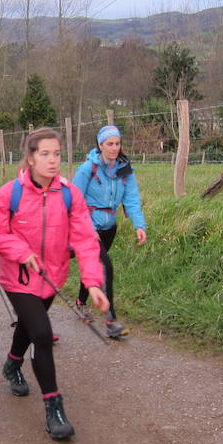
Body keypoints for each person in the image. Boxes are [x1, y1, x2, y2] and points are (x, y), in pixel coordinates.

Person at [0, 127, 109, 440]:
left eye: (56, 153)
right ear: (30, 158)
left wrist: (93, 283)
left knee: (29, 327)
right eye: (45, 154)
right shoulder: (9, 194)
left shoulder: (70, 194)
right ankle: (54, 407)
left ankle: (12, 364)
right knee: (41, 333)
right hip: (18, 278)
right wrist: (21, 251)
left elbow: (84, 240)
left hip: (52, 277)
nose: (53, 160)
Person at [72, 125, 147, 338]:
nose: (114, 148)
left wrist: (139, 225)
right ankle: (111, 321)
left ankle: (80, 302)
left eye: (117, 143)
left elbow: (131, 199)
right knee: (106, 267)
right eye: (109, 144)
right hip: (89, 227)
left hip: (109, 227)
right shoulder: (88, 168)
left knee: (95, 265)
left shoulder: (124, 169)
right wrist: (87, 227)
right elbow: (75, 201)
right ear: (100, 145)